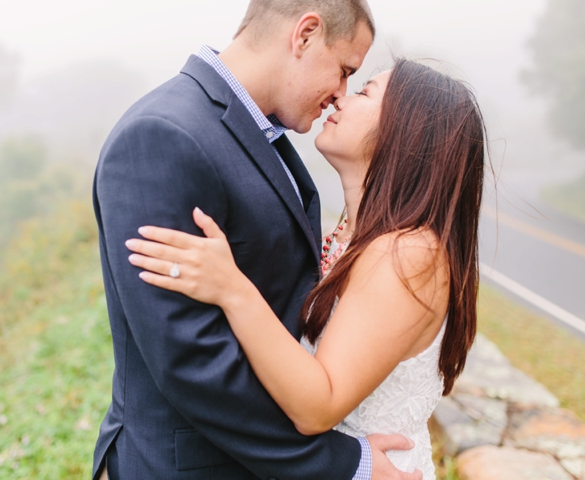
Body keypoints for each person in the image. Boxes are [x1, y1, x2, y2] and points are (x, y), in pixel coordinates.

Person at [92, 0, 423, 479]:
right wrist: (344, 464)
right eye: (344, 70)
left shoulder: (263, 134)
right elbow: (191, 357)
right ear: (305, 34)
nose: (340, 94)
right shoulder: (164, 135)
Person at [125, 59, 486, 480]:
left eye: (365, 92)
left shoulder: (408, 252)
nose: (340, 97)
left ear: (407, 131)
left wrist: (231, 288)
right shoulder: (358, 235)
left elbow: (319, 405)